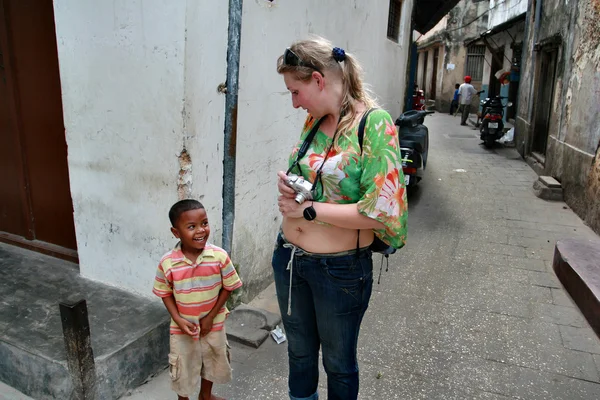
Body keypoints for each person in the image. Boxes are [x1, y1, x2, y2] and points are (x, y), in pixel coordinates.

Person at [273, 37, 408, 400]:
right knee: (299, 354)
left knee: (338, 363)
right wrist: (295, 191)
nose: (294, 102)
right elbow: (321, 184)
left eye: (295, 91)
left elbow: (380, 212)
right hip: (289, 259)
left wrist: (309, 210)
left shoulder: (374, 125)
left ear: (318, 80)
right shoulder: (313, 122)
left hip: (339, 270)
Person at [153, 199, 242, 400]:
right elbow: (164, 293)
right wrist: (178, 318)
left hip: (214, 324)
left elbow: (229, 286)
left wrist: (211, 317)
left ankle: (206, 396)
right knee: (182, 368)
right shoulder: (168, 263)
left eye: (204, 223)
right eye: (191, 227)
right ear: (176, 232)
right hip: (182, 327)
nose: (201, 230)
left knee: (212, 360)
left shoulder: (219, 256)